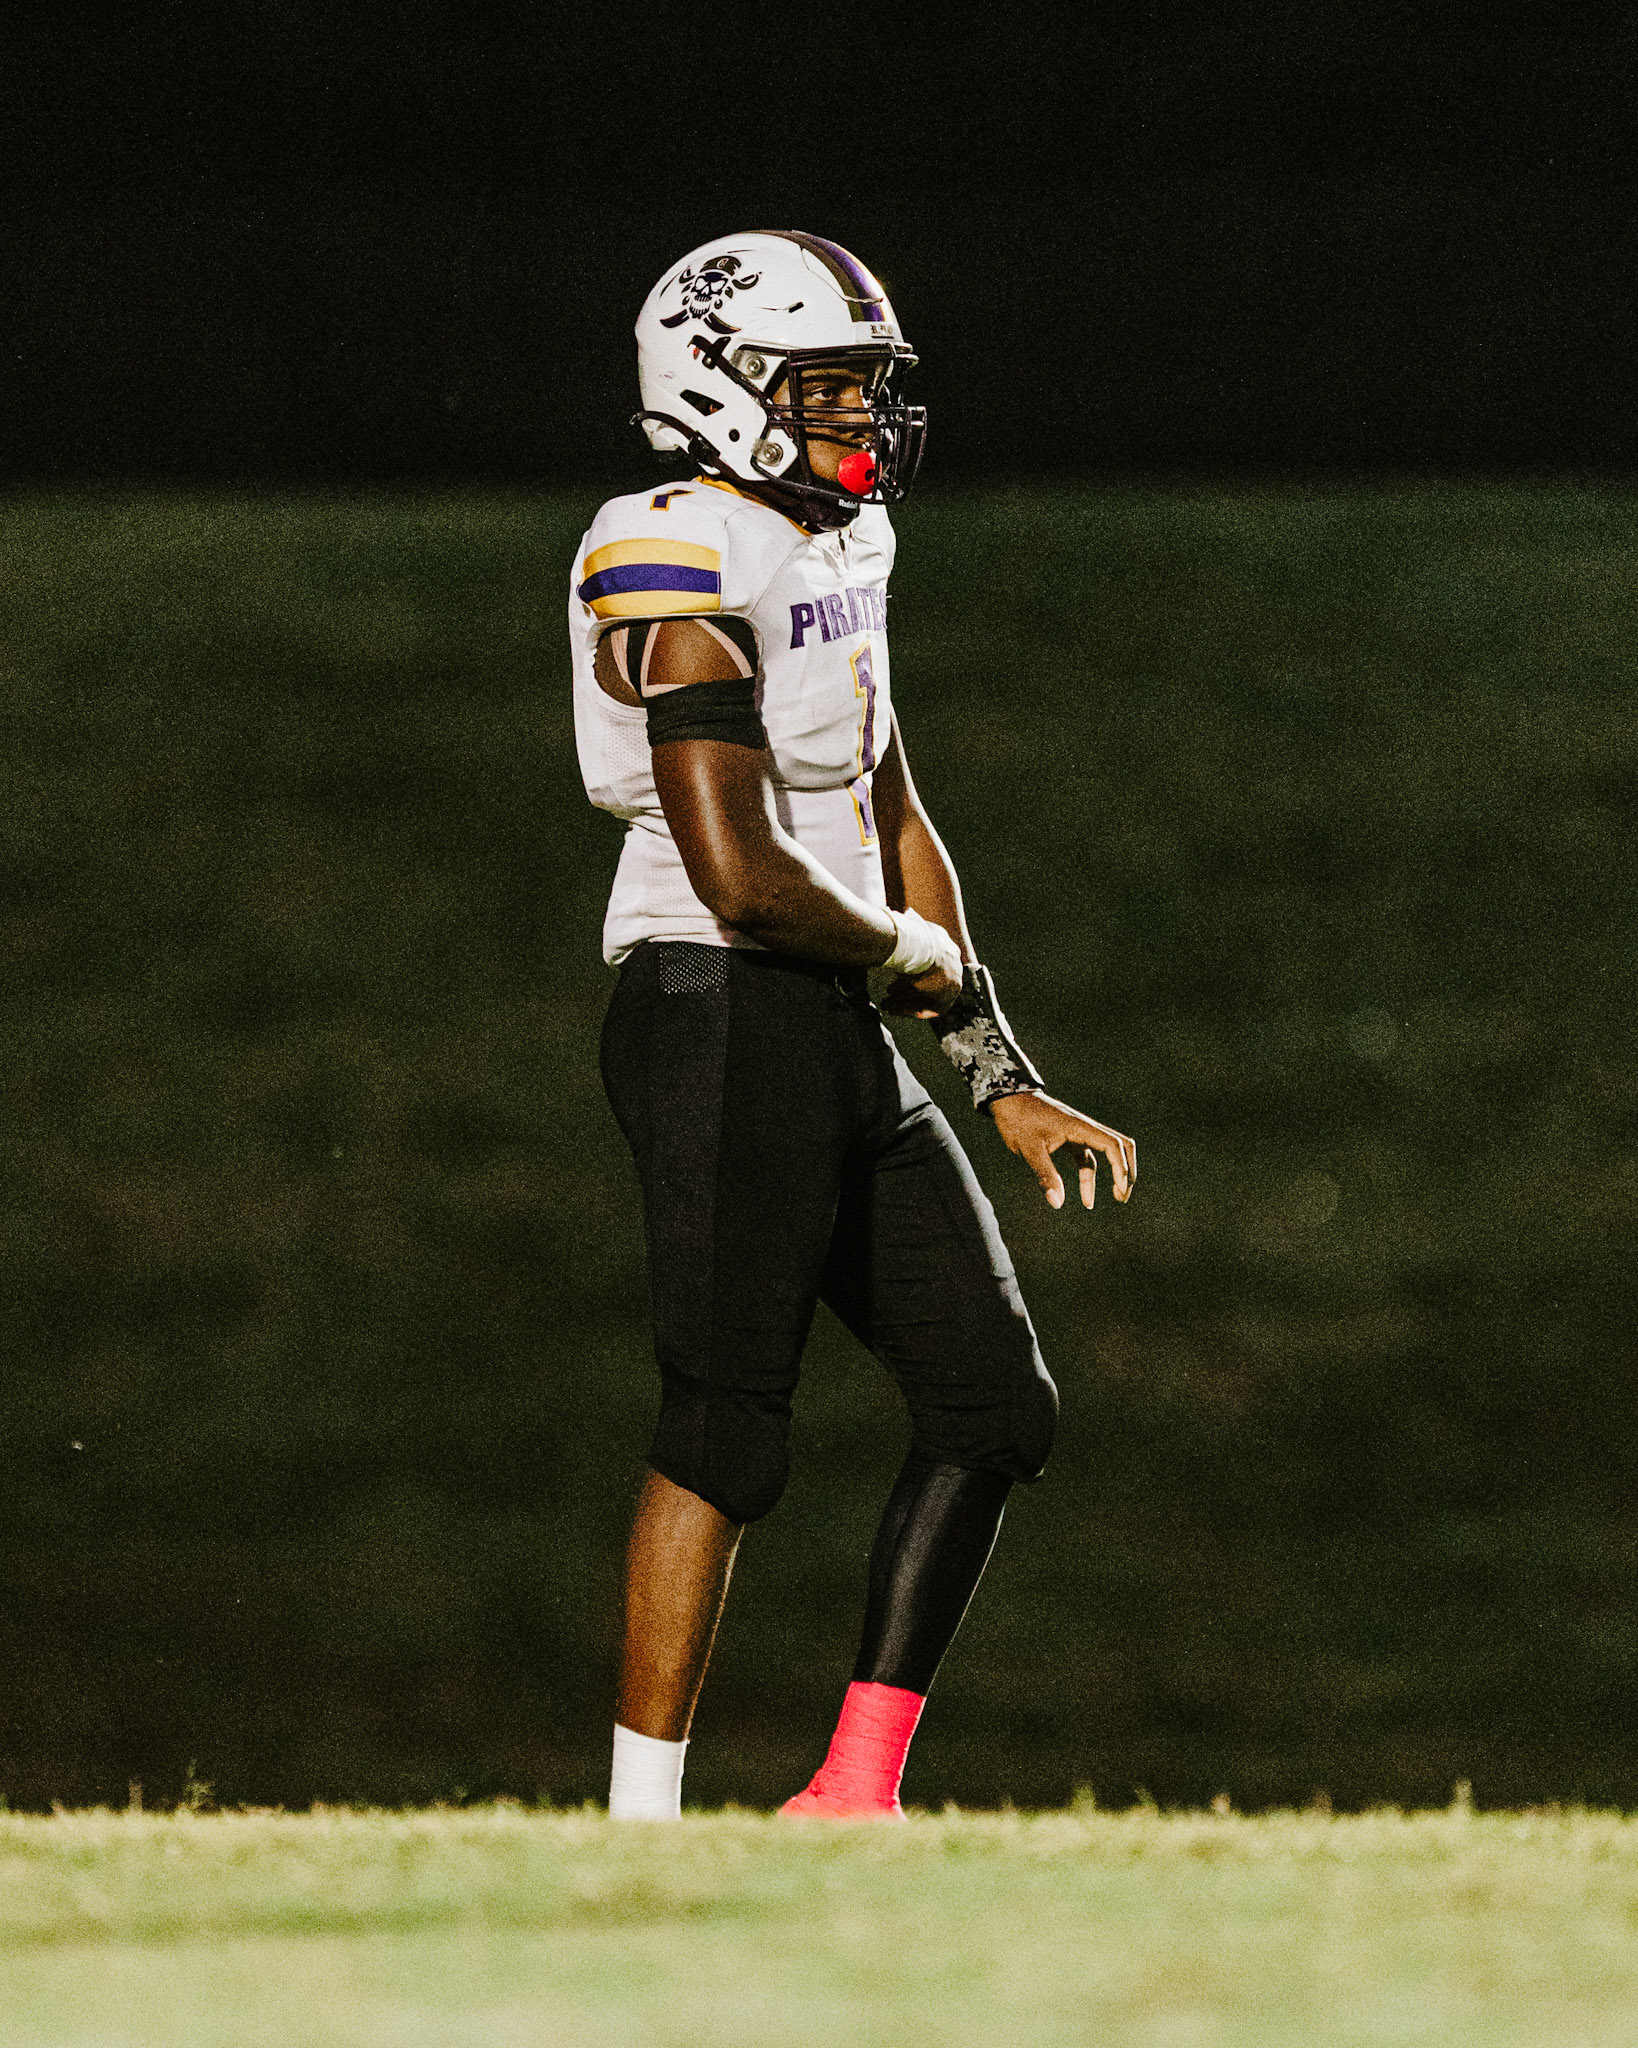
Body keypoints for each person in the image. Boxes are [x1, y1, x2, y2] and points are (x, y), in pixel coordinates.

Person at [568, 231, 1135, 1821]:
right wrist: (905, 954)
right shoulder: (666, 546)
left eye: (865, 388)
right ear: (718, 384)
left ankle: (851, 1793)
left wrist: (992, 1066)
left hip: (827, 1014)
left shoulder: (842, 541)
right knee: (724, 1432)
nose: (859, 419)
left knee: (991, 1407)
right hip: (711, 1002)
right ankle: (636, 1830)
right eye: (823, 388)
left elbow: (884, 804)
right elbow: (741, 878)